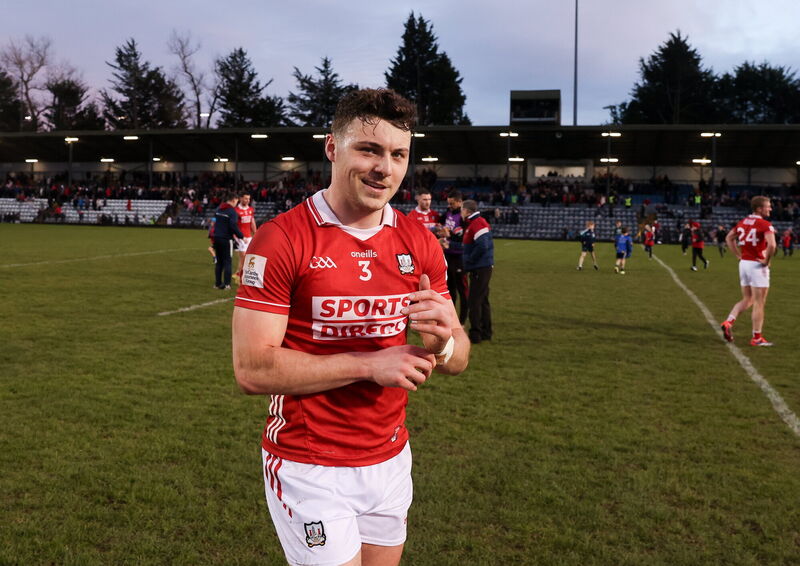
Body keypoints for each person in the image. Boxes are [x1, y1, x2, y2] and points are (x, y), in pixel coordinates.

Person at [231, 88, 470, 566]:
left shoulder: (419, 241)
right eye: (369, 149)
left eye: (398, 154)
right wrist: (369, 365)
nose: (385, 167)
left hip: (389, 458)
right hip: (310, 466)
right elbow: (253, 369)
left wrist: (444, 343)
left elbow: (458, 357)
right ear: (331, 147)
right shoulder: (281, 240)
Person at [720, 196, 777, 347]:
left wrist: (738, 255)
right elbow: (772, 245)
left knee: (747, 299)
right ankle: (757, 338)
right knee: (759, 302)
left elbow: (729, 238)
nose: (770, 208)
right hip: (757, 265)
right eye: (768, 206)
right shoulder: (765, 224)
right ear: (759, 209)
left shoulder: (743, 222)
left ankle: (728, 321)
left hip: (744, 264)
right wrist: (767, 261)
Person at [461, 199, 494, 344]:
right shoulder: (475, 223)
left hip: (480, 268)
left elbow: (483, 246)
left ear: (467, 211)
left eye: (462, 210)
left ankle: (475, 334)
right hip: (482, 267)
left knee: (473, 302)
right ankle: (486, 331)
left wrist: (469, 262)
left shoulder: (478, 223)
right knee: (483, 300)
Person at [439, 191, 468, 323]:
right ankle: (452, 319)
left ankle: (462, 321)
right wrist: (441, 230)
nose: (450, 206)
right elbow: (441, 226)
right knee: (450, 290)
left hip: (459, 258)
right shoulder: (448, 213)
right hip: (447, 257)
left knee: (463, 291)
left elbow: (464, 242)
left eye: (452, 203)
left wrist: (449, 242)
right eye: (448, 203)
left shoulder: (463, 219)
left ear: (459, 202)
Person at [211, 192, 243, 290]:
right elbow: (233, 225)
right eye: (237, 202)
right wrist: (240, 235)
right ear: (233, 200)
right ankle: (227, 284)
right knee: (227, 261)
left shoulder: (219, 209)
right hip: (226, 239)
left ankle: (217, 284)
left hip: (216, 238)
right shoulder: (232, 211)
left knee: (219, 262)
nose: (236, 204)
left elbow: (214, 222)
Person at [233, 192, 257, 284]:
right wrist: (235, 236)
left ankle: (237, 274)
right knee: (244, 257)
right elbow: (233, 225)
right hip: (239, 237)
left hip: (249, 237)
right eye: (246, 198)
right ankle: (240, 276)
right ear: (241, 198)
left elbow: (252, 222)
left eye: (249, 199)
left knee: (244, 258)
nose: (247, 200)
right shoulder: (236, 210)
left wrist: (256, 233)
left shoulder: (251, 209)